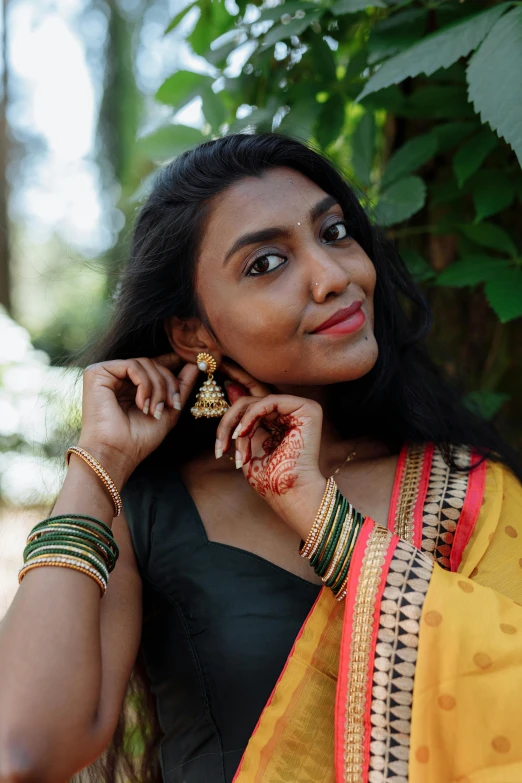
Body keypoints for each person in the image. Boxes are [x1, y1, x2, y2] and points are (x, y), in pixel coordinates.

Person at [0, 132, 521, 783]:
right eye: (266, 263)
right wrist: (97, 461)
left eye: (334, 232)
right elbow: (23, 747)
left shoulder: (472, 491)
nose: (334, 276)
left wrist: (318, 514)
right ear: (195, 334)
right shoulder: (150, 506)